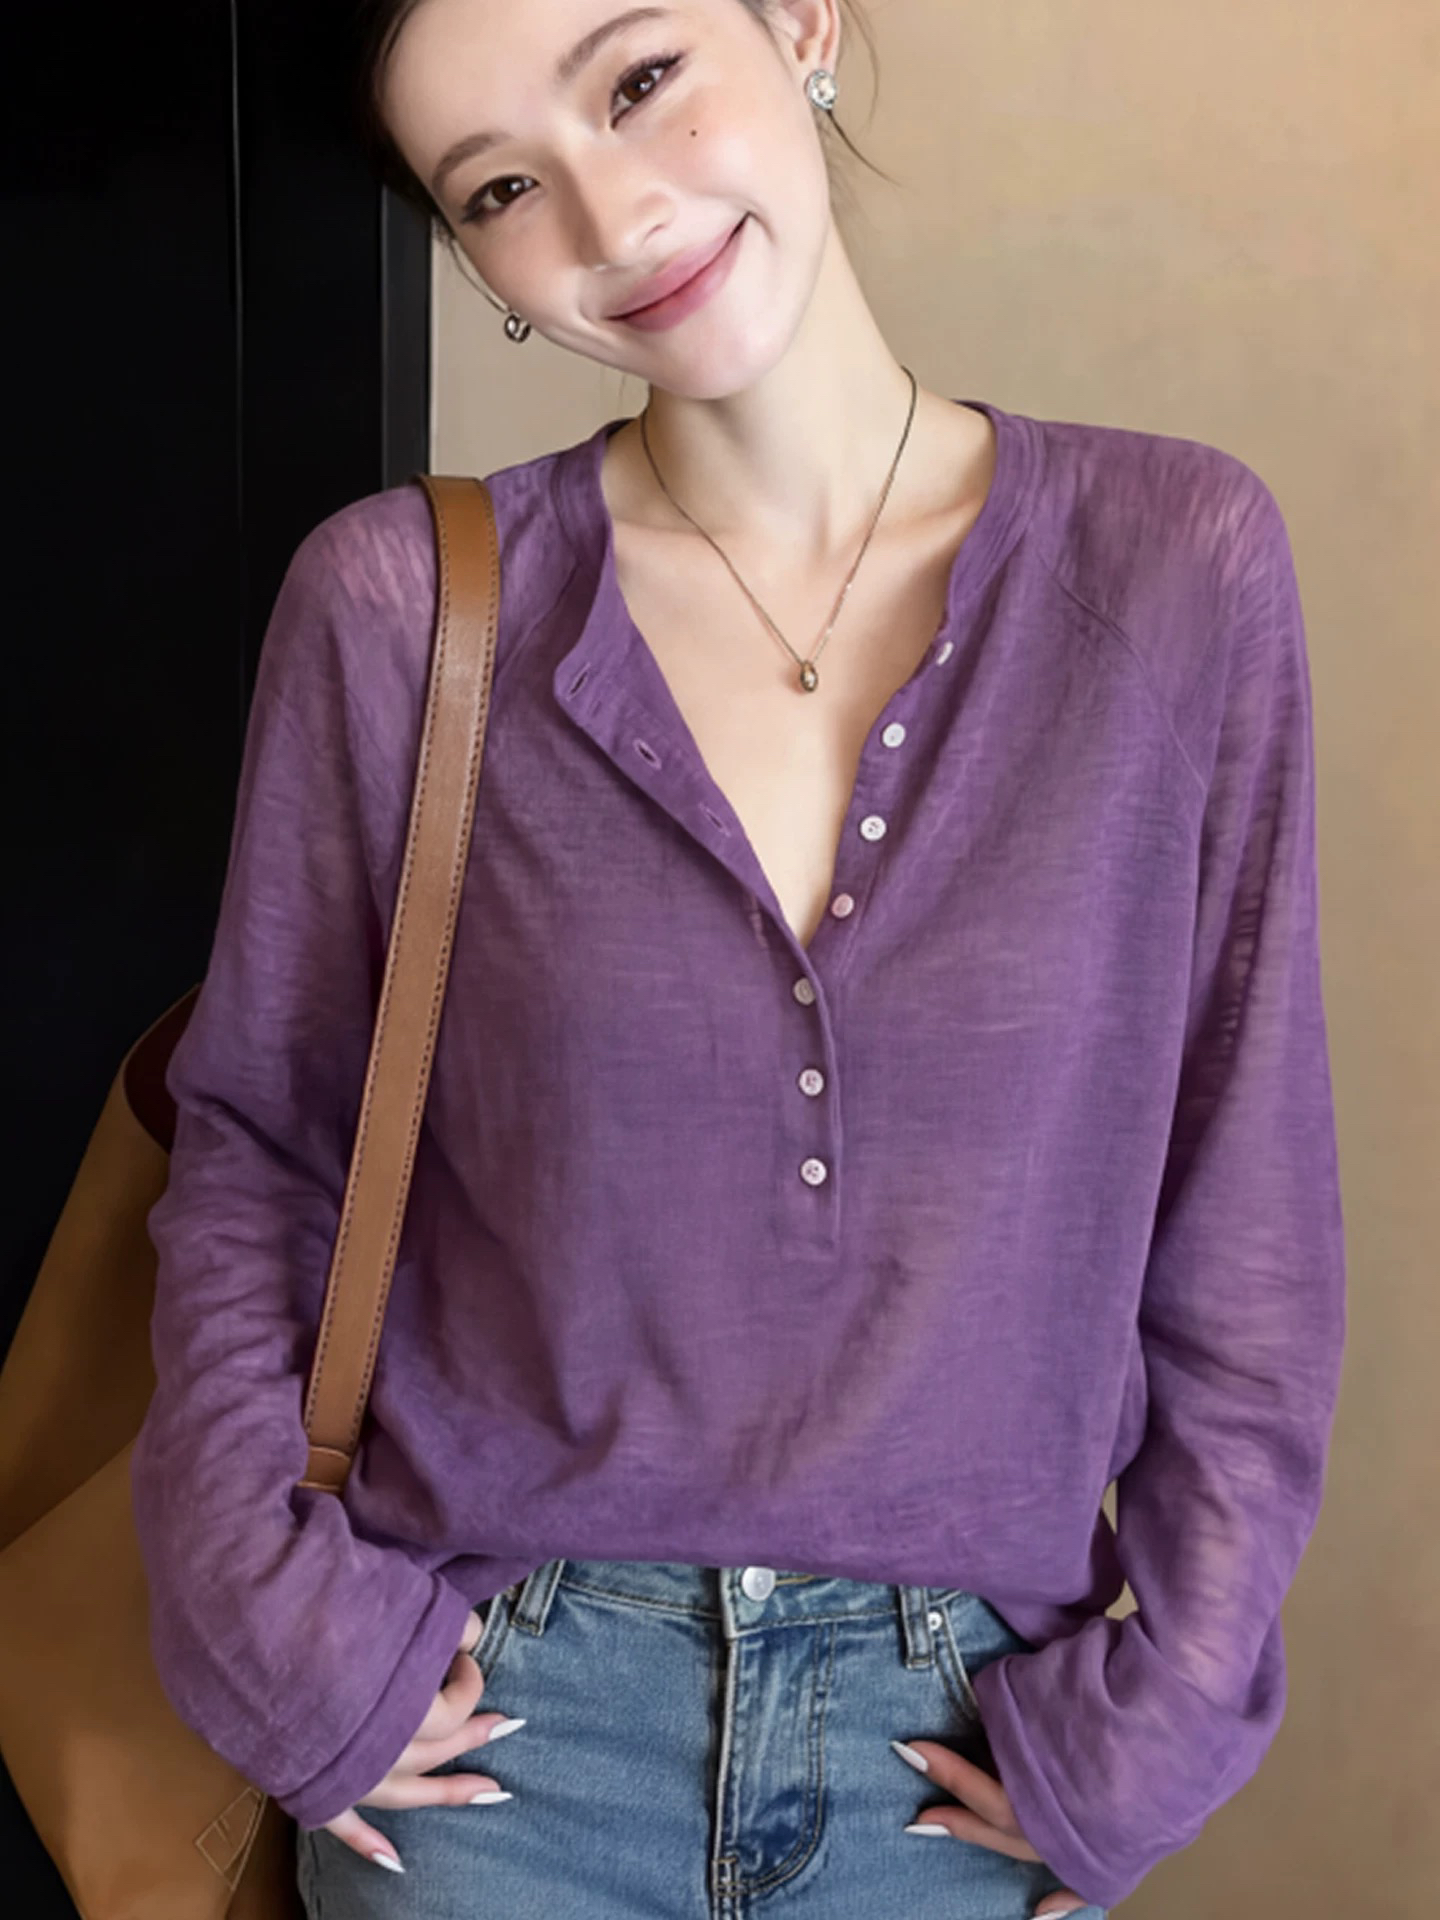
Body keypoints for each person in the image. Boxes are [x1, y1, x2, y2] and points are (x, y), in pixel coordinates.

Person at [129, 1, 1347, 1915]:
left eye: (641, 82)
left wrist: (1173, 1705)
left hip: (966, 1747)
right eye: (502, 189)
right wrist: (287, 1643)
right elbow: (262, 1156)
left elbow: (1246, 1202)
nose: (614, 215)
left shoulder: (1176, 565)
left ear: (801, 23)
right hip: (495, 1750)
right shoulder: (398, 608)